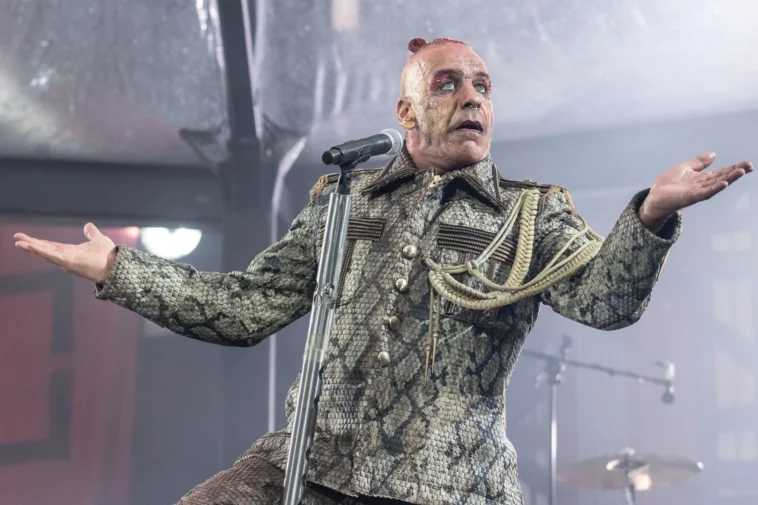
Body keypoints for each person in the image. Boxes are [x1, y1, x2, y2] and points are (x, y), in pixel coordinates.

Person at [14, 37, 752, 505]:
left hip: (450, 483)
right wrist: (119, 268)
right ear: (406, 110)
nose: (473, 97)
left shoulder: (530, 213)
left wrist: (650, 216)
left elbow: (604, 303)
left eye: (483, 86)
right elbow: (245, 307)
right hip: (312, 463)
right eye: (449, 84)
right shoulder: (343, 200)